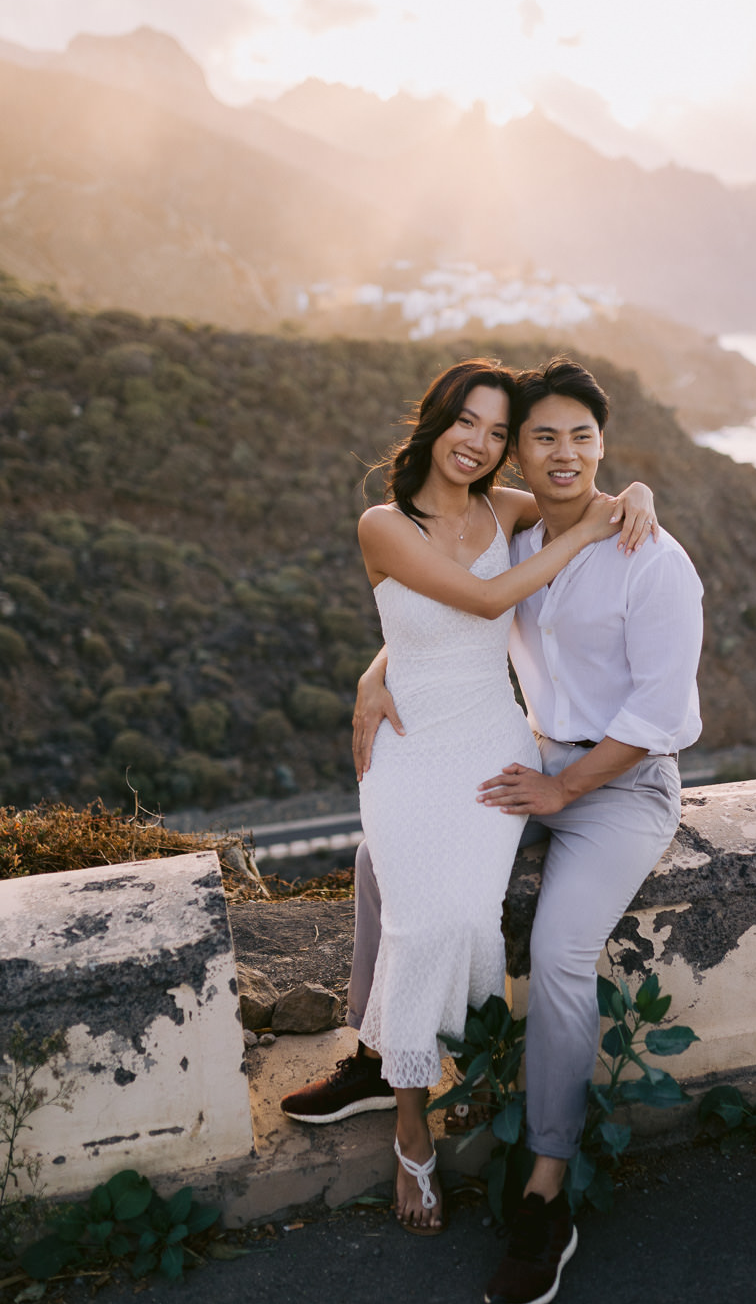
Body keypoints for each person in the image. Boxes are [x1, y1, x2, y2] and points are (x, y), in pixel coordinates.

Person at [279, 358, 658, 1237]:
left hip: (492, 740)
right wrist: (378, 673)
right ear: (435, 420)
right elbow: (480, 602)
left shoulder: (508, 509)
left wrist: (634, 494)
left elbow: (590, 499)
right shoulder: (382, 522)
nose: (480, 444)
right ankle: (408, 1120)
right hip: (410, 747)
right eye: (468, 423)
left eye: (496, 432)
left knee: (460, 918)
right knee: (417, 915)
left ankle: (419, 1078)